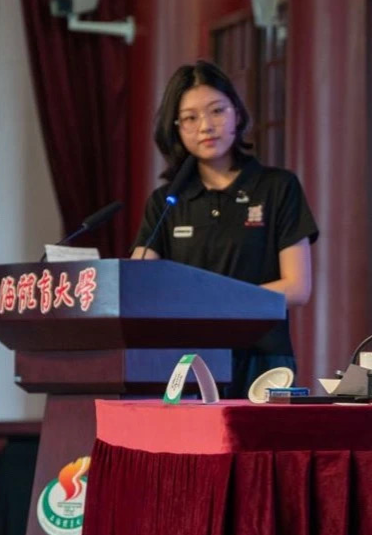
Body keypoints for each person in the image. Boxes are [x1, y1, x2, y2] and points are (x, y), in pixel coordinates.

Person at [132, 60, 318, 398]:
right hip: (187, 360)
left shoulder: (277, 187)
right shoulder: (166, 202)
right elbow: (142, 286)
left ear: (237, 114)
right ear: (176, 128)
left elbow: (297, 287)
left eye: (217, 111)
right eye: (190, 118)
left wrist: (213, 302)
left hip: (264, 360)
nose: (206, 126)